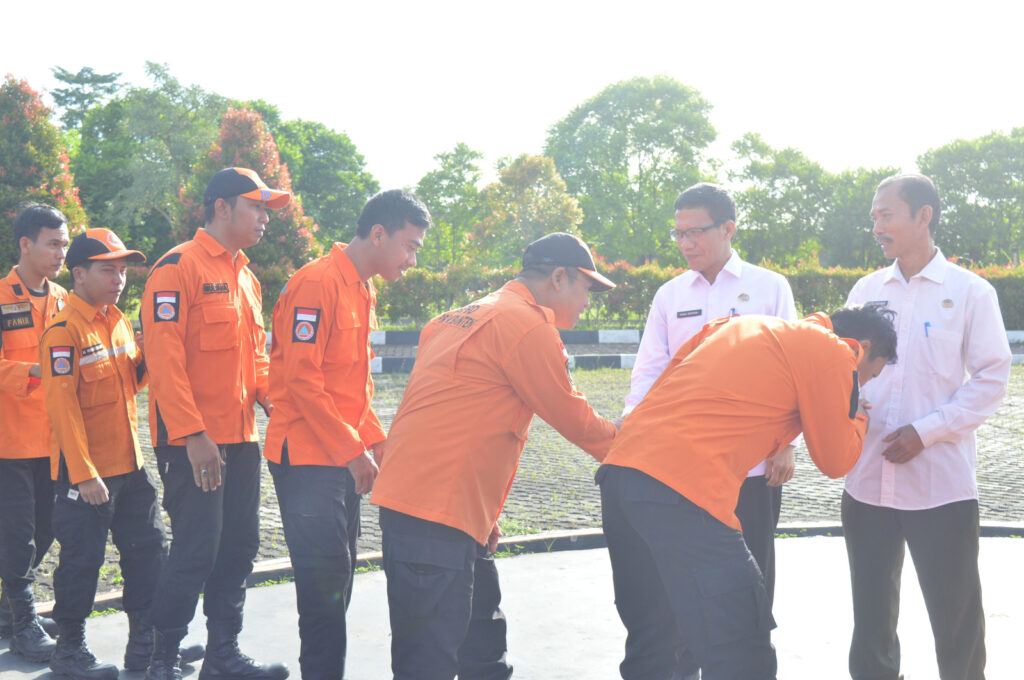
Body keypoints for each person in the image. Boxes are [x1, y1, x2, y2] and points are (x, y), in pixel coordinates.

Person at [599, 305, 898, 680]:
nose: (863, 383)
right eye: (869, 374)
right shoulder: (834, 350)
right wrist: (858, 413)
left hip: (621, 478)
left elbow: (664, 388)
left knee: (655, 643)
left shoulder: (733, 325)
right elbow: (836, 460)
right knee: (742, 645)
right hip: (687, 492)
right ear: (863, 347)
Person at [371, 232, 619, 680]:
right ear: (559, 278)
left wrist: (482, 509)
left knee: (480, 643)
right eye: (587, 288)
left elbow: (451, 414)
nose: (589, 302)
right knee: (430, 658)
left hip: (437, 507)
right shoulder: (526, 326)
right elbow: (578, 422)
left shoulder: (454, 317)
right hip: (437, 513)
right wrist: (649, 451)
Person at [842, 174, 1012, 680]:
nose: (876, 225)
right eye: (873, 216)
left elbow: (991, 378)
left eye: (886, 214)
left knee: (957, 622)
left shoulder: (969, 292)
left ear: (924, 216)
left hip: (940, 485)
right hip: (867, 481)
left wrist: (928, 430)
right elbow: (841, 370)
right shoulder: (867, 290)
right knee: (870, 622)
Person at [264, 189, 431, 679]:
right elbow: (302, 379)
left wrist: (378, 443)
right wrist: (353, 450)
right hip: (308, 459)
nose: (412, 259)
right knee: (322, 591)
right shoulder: (317, 284)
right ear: (378, 234)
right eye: (409, 245)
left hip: (339, 457)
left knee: (337, 577)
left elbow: (352, 387)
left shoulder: (362, 286)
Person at [140, 168, 290, 680]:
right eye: (256, 207)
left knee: (239, 546)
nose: (264, 218)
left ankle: (222, 654)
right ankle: (161, 657)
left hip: (241, 437)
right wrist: (193, 435)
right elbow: (163, 362)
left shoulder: (247, 277)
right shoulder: (175, 268)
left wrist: (274, 399)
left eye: (267, 210)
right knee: (196, 550)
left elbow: (256, 356)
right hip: (193, 442)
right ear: (221, 208)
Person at [625, 183, 798, 614]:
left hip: (753, 464)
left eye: (695, 232)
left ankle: (754, 659)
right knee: (686, 577)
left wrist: (788, 444)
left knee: (753, 574)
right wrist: (630, 439)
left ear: (728, 229)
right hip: (683, 463)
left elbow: (795, 370)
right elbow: (649, 371)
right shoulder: (670, 295)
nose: (685, 243)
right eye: (678, 234)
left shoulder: (769, 287)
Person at [39, 228, 163, 680]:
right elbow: (63, 408)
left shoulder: (118, 321)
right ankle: (69, 653)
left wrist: (149, 358)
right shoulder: (62, 331)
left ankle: (144, 647)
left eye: (123, 271)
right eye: (108, 270)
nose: (119, 279)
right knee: (82, 563)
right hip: (87, 477)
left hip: (131, 468)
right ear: (79, 274)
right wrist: (85, 475)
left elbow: (130, 385)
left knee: (149, 553)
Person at [0, 203, 68, 662]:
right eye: (52, 243)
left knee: (48, 528)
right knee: (18, 532)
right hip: (9, 440)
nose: (61, 252)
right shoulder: (2, 297)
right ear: (25, 244)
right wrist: (33, 369)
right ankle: (24, 624)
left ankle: (8, 614)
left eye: (64, 244)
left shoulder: (65, 299)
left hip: (54, 440)